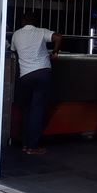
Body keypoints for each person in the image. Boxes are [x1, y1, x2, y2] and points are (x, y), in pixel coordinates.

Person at [10, 12, 62, 155]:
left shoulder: (16, 34)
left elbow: (13, 51)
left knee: (26, 110)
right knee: (37, 111)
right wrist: (55, 52)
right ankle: (33, 146)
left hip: (25, 76)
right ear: (35, 22)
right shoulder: (41, 32)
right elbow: (58, 37)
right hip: (42, 73)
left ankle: (25, 144)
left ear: (23, 21)